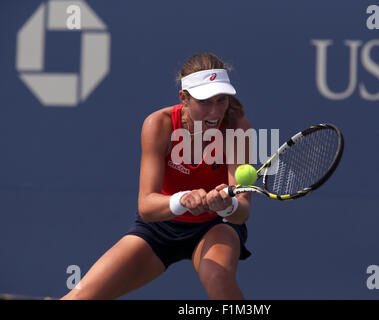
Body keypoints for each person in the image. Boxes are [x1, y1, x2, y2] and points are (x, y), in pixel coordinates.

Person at [61, 53, 252, 300]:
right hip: (160, 227)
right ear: (184, 98)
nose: (215, 111)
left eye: (221, 99)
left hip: (215, 226)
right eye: (205, 101)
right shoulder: (158, 124)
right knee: (79, 298)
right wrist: (183, 200)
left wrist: (227, 205)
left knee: (217, 277)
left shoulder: (238, 127)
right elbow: (147, 207)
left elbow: (243, 211)